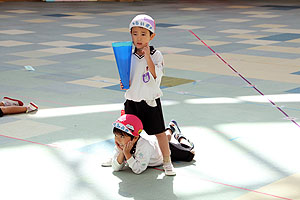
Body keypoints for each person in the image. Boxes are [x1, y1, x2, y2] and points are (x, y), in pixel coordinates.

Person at [120, 14, 176, 175]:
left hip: (149, 101)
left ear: (152, 36)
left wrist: (147, 57)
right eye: (135, 33)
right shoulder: (127, 53)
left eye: (143, 34)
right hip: (131, 99)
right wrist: (123, 81)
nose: (138, 38)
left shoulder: (156, 55)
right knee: (126, 133)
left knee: (159, 132)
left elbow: (155, 74)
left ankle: (167, 161)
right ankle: (121, 157)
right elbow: (127, 75)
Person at [111, 114, 194, 175]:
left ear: (135, 138)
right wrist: (122, 152)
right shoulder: (121, 144)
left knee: (190, 152)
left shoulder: (144, 147)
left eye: (122, 136)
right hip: (153, 144)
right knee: (164, 139)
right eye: (115, 135)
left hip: (162, 151)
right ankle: (170, 129)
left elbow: (138, 169)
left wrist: (127, 154)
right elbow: (115, 168)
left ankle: (180, 137)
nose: (117, 140)